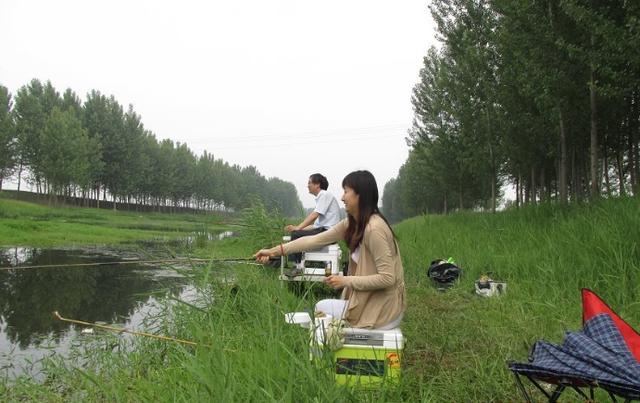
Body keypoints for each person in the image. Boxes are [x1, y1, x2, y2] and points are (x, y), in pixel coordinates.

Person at [254, 170, 405, 330]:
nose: (342, 197)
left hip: (382, 311)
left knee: (320, 308)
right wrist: (273, 251)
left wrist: (345, 281)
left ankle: (324, 351)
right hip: (370, 301)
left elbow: (388, 278)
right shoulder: (352, 223)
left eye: (346, 191)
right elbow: (313, 240)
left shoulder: (374, 229)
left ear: (360, 195)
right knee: (321, 309)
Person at [285, 173, 341, 270]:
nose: (307, 185)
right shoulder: (322, 198)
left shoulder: (324, 194)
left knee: (296, 235)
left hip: (328, 232)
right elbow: (315, 226)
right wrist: (297, 229)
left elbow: (315, 215)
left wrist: (298, 228)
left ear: (317, 184)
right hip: (325, 230)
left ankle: (297, 266)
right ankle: (297, 264)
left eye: (309, 183)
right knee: (296, 233)